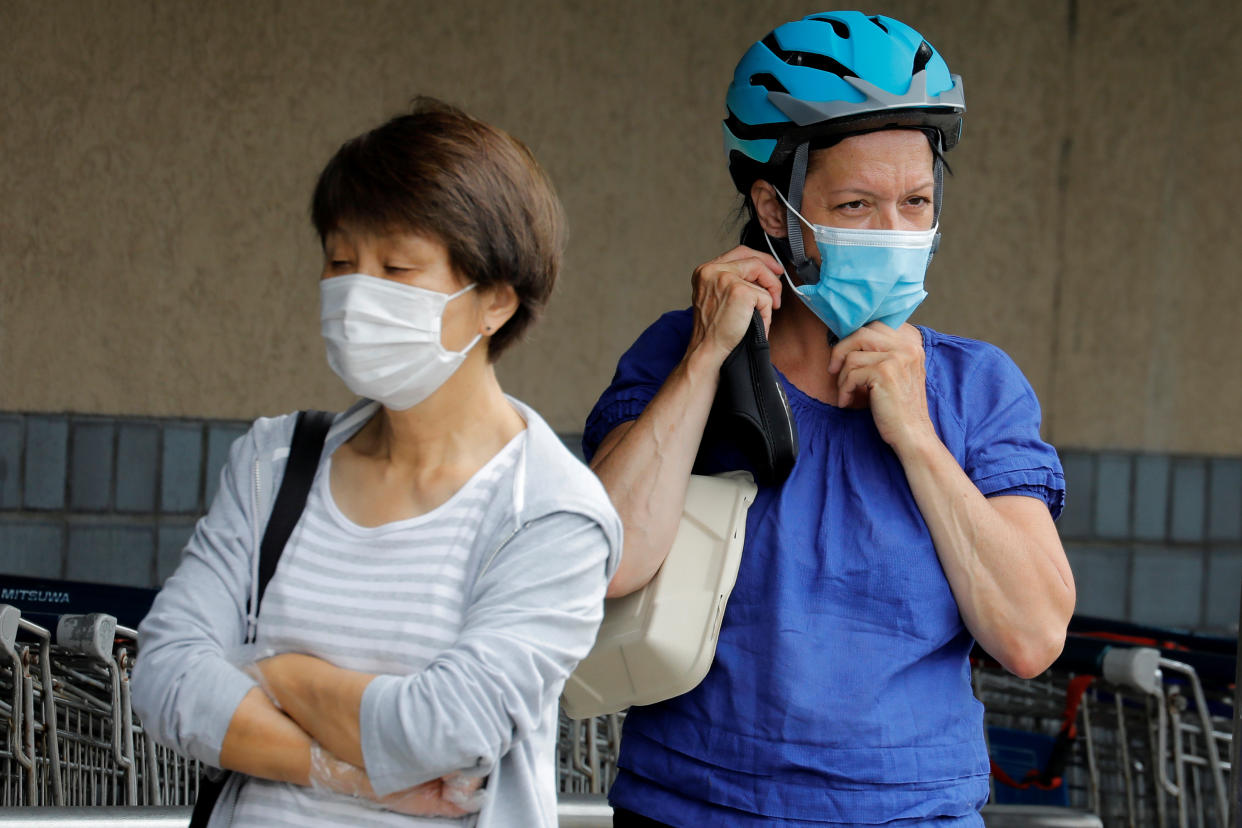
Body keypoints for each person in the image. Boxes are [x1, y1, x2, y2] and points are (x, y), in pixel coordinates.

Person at [583, 12, 1075, 826]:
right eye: (855, 203)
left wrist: (917, 436)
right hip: (690, 808)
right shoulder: (678, 354)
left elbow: (1030, 637)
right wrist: (708, 360)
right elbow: (602, 563)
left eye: (916, 202)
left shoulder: (976, 388)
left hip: (911, 812)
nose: (895, 234)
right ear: (774, 210)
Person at [132, 98, 622, 827]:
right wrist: (349, 775)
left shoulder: (551, 510)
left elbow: (445, 731)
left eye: (396, 266)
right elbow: (164, 677)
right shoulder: (276, 462)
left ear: (494, 300)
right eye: (339, 260)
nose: (357, 292)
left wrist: (272, 674)